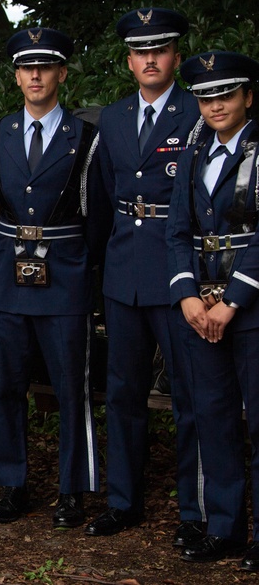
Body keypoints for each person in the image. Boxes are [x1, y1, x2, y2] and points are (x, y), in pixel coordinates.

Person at [0, 27, 107, 528]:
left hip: (66, 274)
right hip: (9, 274)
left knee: (72, 387)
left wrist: (79, 265)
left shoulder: (86, 137)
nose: (35, 75)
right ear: (16, 77)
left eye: (45, 66)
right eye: (27, 67)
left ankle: (72, 490)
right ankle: (12, 484)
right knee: (7, 384)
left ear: (61, 74)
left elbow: (97, 217)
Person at [85, 8, 206, 544]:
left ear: (175, 56)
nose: (150, 59)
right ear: (130, 61)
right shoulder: (110, 119)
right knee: (123, 392)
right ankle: (123, 501)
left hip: (178, 272)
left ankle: (196, 510)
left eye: (160, 49)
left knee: (190, 393)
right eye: (141, 51)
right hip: (123, 270)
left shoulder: (197, 112)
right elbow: (105, 199)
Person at [167, 51, 259, 568]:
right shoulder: (195, 155)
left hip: (248, 308)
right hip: (200, 309)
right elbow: (175, 230)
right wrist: (185, 295)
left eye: (226, 94)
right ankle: (223, 527)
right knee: (214, 420)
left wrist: (234, 301)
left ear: (248, 96)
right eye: (205, 96)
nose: (216, 104)